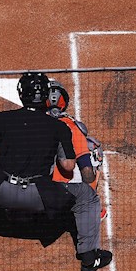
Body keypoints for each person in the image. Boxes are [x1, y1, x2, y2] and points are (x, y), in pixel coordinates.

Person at [0, 72, 113, 271]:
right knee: (87, 196)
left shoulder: (1, 119)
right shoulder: (58, 127)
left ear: (21, 94)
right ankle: (90, 258)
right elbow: (68, 167)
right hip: (39, 197)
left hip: (1, 192)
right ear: (45, 97)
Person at [46, 78, 107, 219]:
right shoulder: (71, 126)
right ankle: (91, 208)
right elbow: (86, 171)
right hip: (62, 194)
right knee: (93, 149)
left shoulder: (31, 123)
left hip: (33, 193)